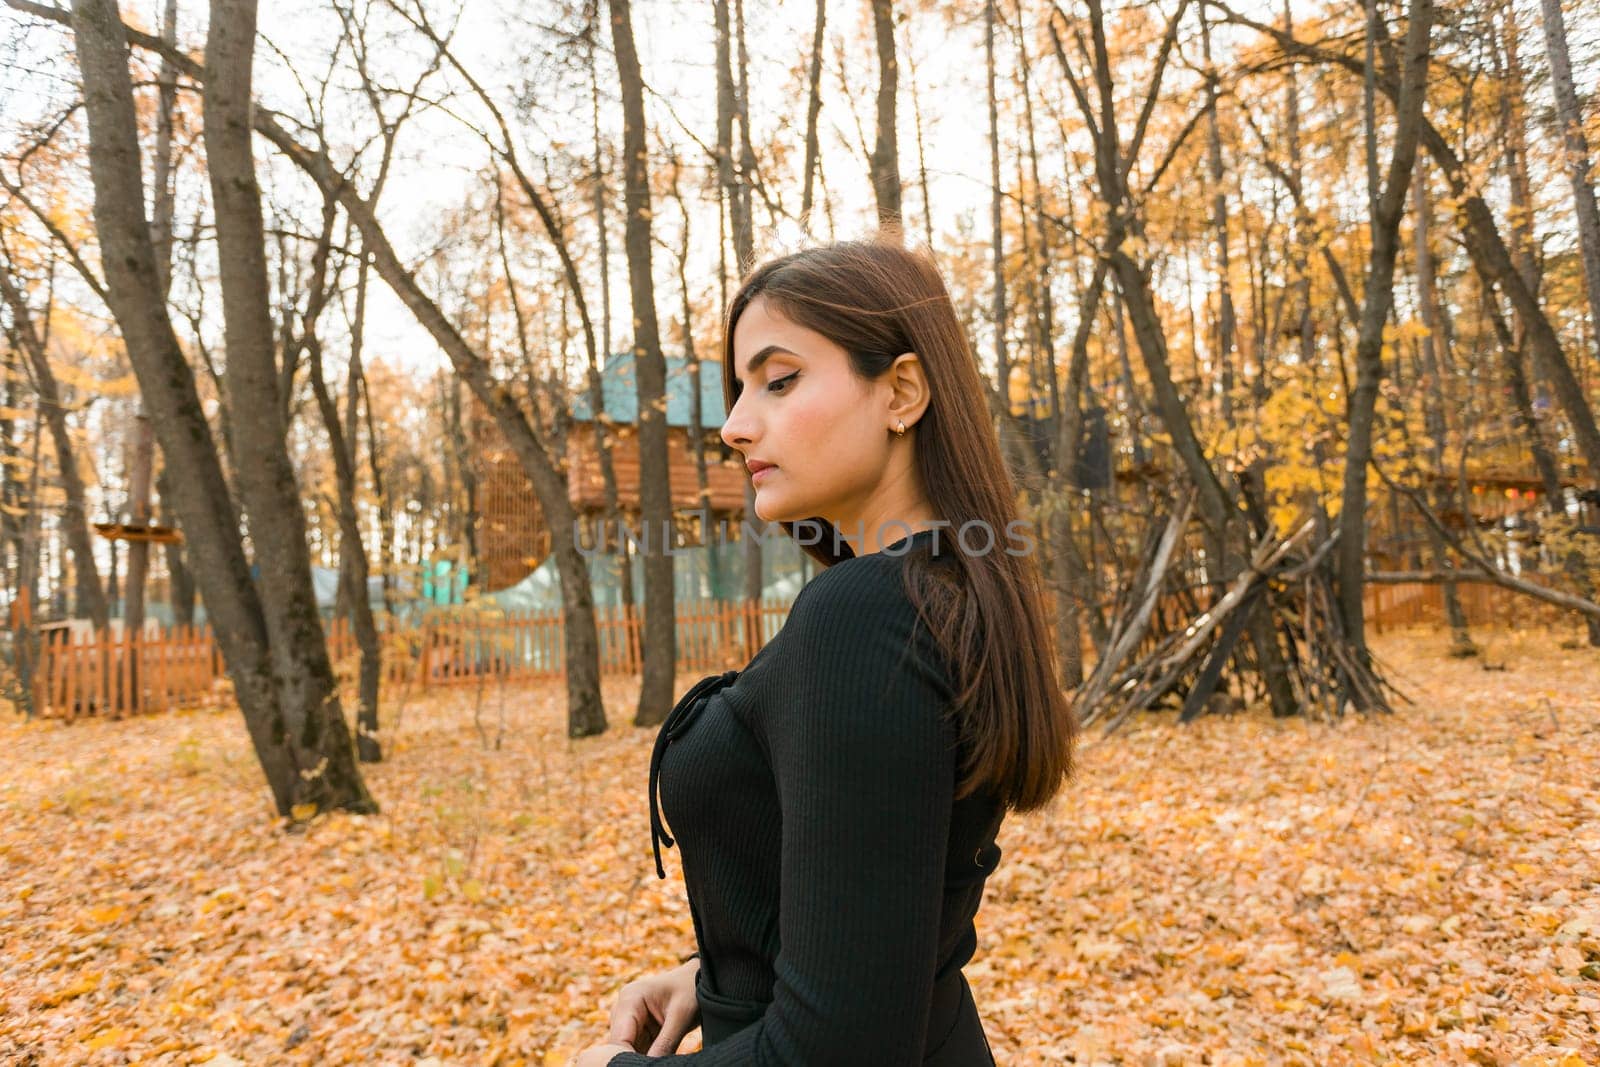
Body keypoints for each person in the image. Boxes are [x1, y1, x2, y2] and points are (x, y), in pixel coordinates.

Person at [575, 237, 1076, 1066]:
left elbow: (839, 1051)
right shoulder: (931, 594)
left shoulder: (866, 616)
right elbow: (878, 924)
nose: (736, 426)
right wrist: (716, 980)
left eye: (779, 380)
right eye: (742, 390)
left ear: (902, 392)